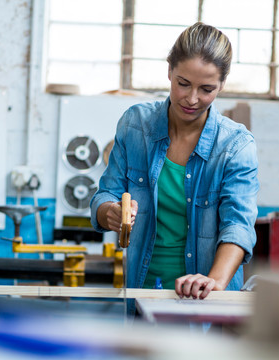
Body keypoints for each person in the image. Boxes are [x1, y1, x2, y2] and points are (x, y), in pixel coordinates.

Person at [90, 22, 259, 314]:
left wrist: (213, 282)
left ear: (222, 84)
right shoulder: (135, 125)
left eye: (206, 89)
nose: (192, 99)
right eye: (183, 83)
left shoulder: (236, 146)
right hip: (144, 296)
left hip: (208, 306)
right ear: (169, 71)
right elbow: (104, 195)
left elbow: (238, 226)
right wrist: (112, 214)